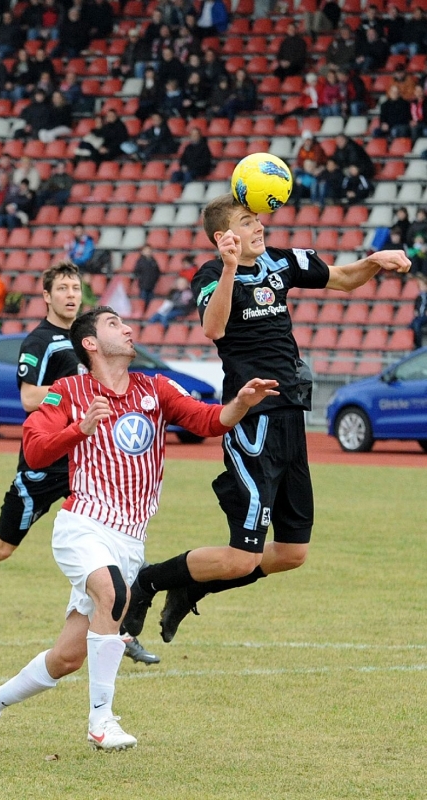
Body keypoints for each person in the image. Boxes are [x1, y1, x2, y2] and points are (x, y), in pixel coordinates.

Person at [0, 305, 279, 756]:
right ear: (90, 343)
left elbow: (207, 420)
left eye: (124, 323)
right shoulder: (66, 391)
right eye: (114, 324)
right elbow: (34, 451)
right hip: (83, 525)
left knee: (67, 657)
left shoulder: (155, 388)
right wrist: (79, 428)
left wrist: (240, 403)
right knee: (113, 592)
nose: (127, 328)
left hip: (129, 539)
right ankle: (100, 721)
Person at [123, 192, 411, 644]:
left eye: (257, 218)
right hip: (252, 422)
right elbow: (213, 328)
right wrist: (230, 269)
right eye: (246, 220)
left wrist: (375, 261)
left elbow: (343, 278)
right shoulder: (212, 274)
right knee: (242, 557)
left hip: (291, 416)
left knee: (293, 552)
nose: (259, 226)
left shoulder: (281, 261)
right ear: (224, 237)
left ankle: (191, 587)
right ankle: (148, 582)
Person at [0, 264, 159, 667]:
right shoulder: (40, 341)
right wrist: (76, 392)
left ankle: (116, 624)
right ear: (46, 296)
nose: (71, 294)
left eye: (75, 287)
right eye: (62, 288)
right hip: (44, 465)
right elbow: (29, 398)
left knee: (112, 533)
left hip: (84, 461)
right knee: (0, 547)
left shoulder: (89, 338)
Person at [134, 244, 161, 314]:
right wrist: (141, 279)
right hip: (143, 285)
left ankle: (148, 313)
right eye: (146, 250)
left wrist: (155, 279)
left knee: (150, 301)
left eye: (149, 250)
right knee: (143, 301)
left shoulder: (153, 260)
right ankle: (142, 313)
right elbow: (136, 272)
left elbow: (157, 271)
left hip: (151, 285)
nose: (148, 252)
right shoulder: (140, 261)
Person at [411, 273, 427, 349]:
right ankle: (414, 344)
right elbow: (416, 307)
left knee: (416, 324)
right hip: (419, 316)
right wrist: (416, 311)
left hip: (425, 316)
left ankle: (419, 346)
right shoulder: (418, 297)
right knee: (411, 326)